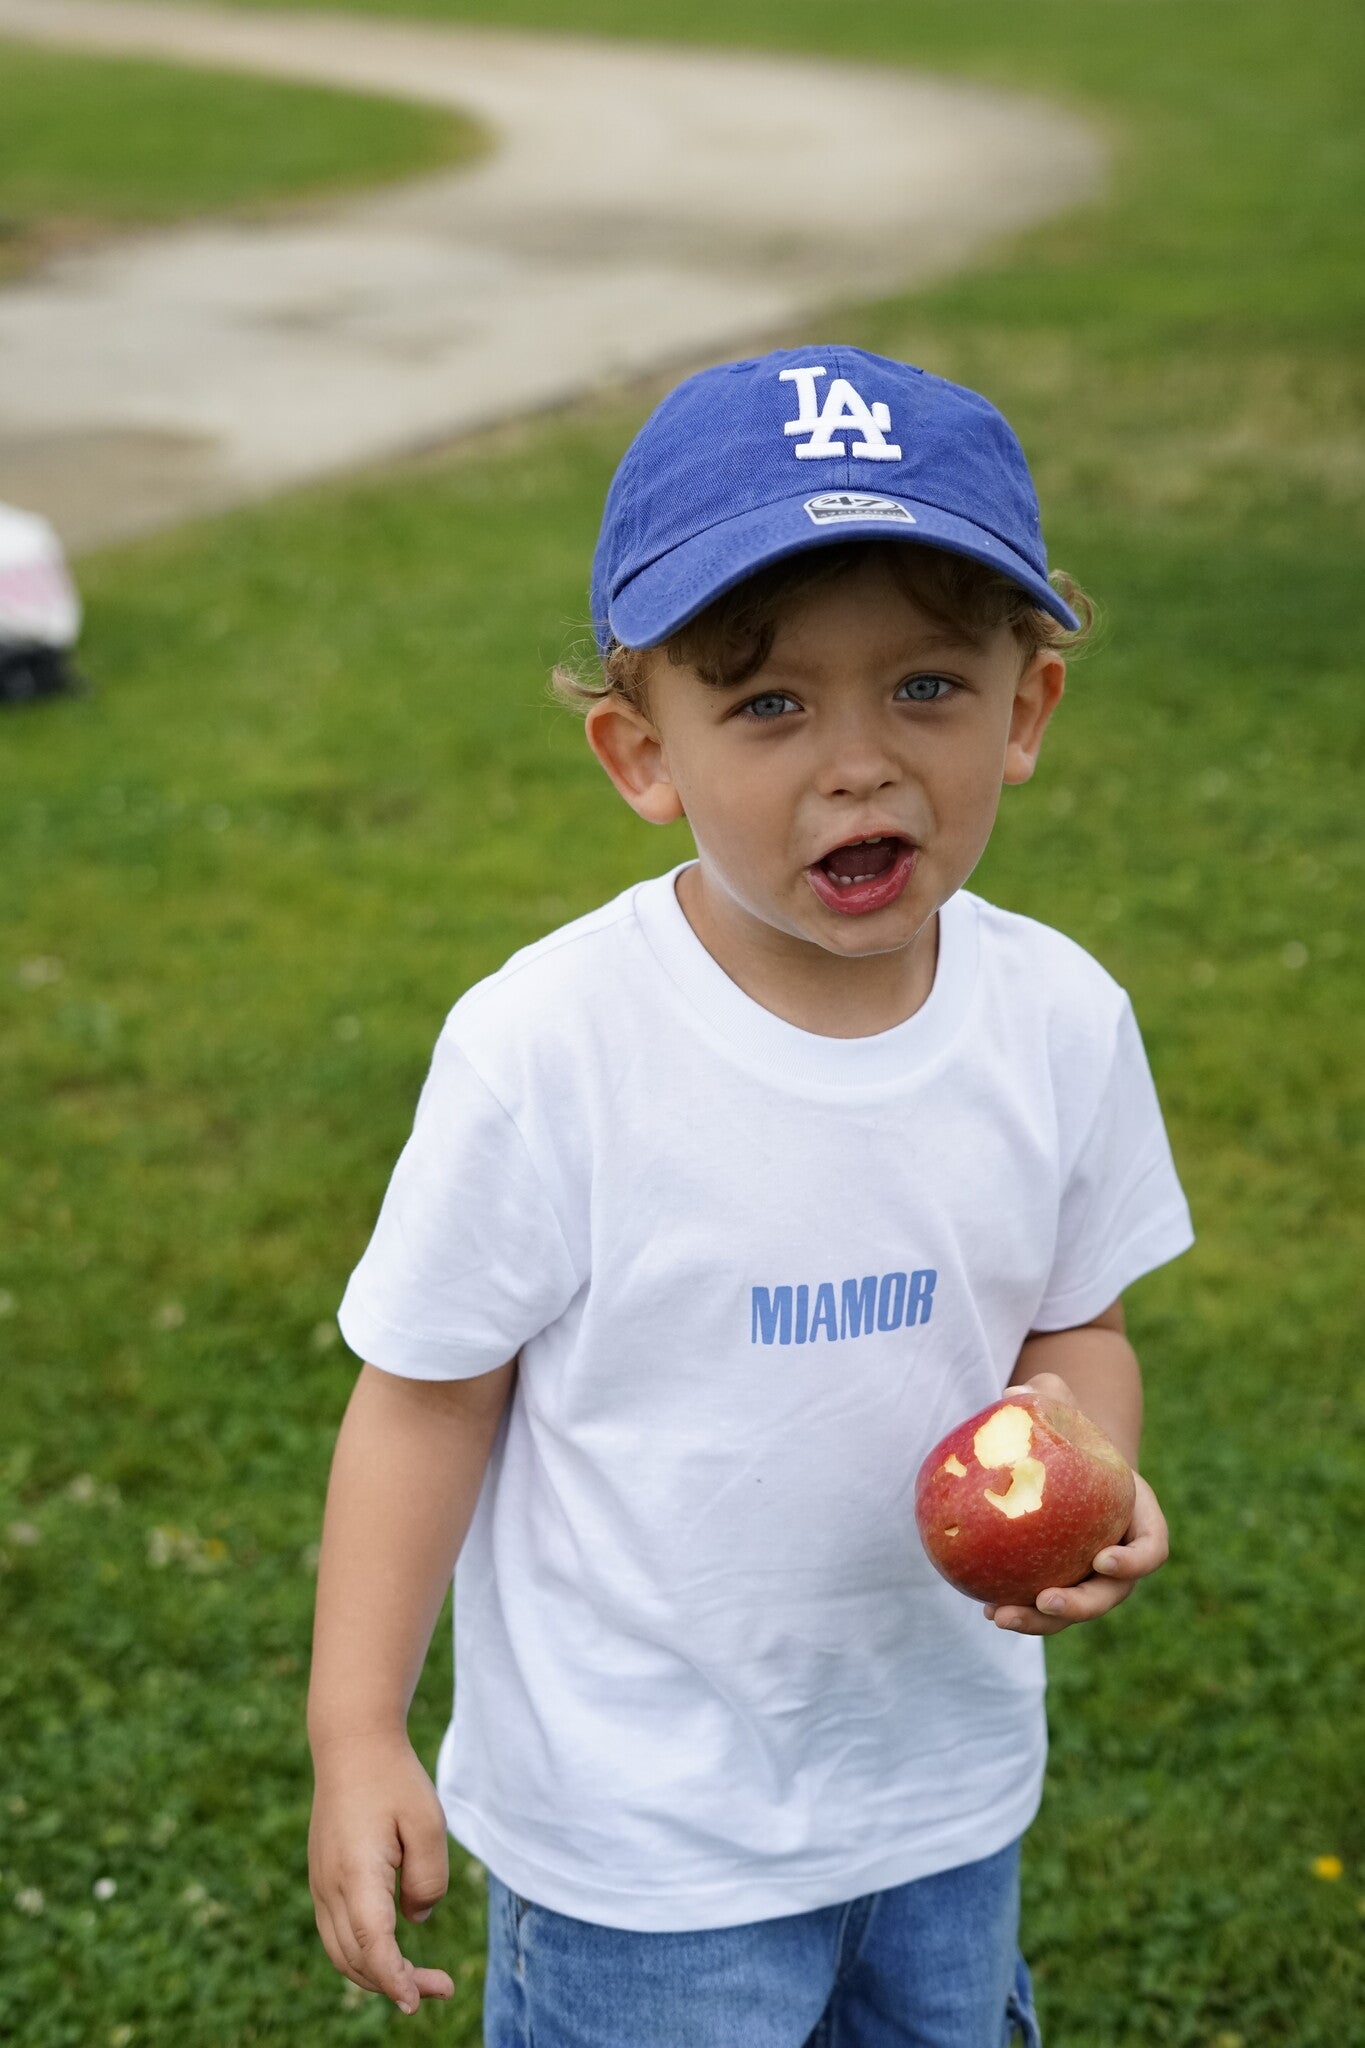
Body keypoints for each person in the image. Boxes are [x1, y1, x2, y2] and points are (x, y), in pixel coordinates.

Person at [306, 346, 1194, 2047]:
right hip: (642, 1836)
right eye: (770, 705)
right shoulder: (551, 1048)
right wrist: (356, 1731)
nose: (857, 764)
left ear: (1024, 712)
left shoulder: (1058, 1020)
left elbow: (1073, 1325)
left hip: (937, 1787)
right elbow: (425, 1399)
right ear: (641, 754)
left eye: (924, 686)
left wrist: (1087, 1468)